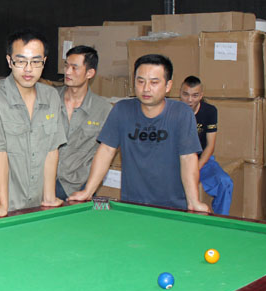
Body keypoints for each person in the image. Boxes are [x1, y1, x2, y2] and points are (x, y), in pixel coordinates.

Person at [69, 54, 209, 212]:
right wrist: (88, 191)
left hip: (173, 207)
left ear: (168, 85)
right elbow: (106, 151)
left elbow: (188, 158)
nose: (146, 88)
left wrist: (194, 201)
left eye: (154, 82)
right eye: (140, 81)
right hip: (132, 205)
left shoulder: (181, 113)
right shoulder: (122, 110)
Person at [0, 28, 66, 217]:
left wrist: (49, 196)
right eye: (21, 61)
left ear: (44, 61)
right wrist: (2, 205)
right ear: (10, 61)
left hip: (36, 200)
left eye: (36, 61)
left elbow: (52, 149)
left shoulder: (51, 96)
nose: (28, 69)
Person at [56, 45, 113, 200]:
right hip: (43, 184)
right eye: (66, 66)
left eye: (74, 68)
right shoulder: (49, 99)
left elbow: (106, 152)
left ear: (90, 73)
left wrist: (88, 189)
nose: (67, 72)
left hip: (77, 187)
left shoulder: (103, 110)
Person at [180, 75, 233, 215]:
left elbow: (210, 146)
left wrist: (196, 168)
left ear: (201, 95)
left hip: (202, 160)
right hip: (179, 161)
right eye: (185, 94)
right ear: (180, 93)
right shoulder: (172, 111)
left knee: (225, 182)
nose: (189, 100)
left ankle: (220, 221)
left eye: (195, 95)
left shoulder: (210, 111)